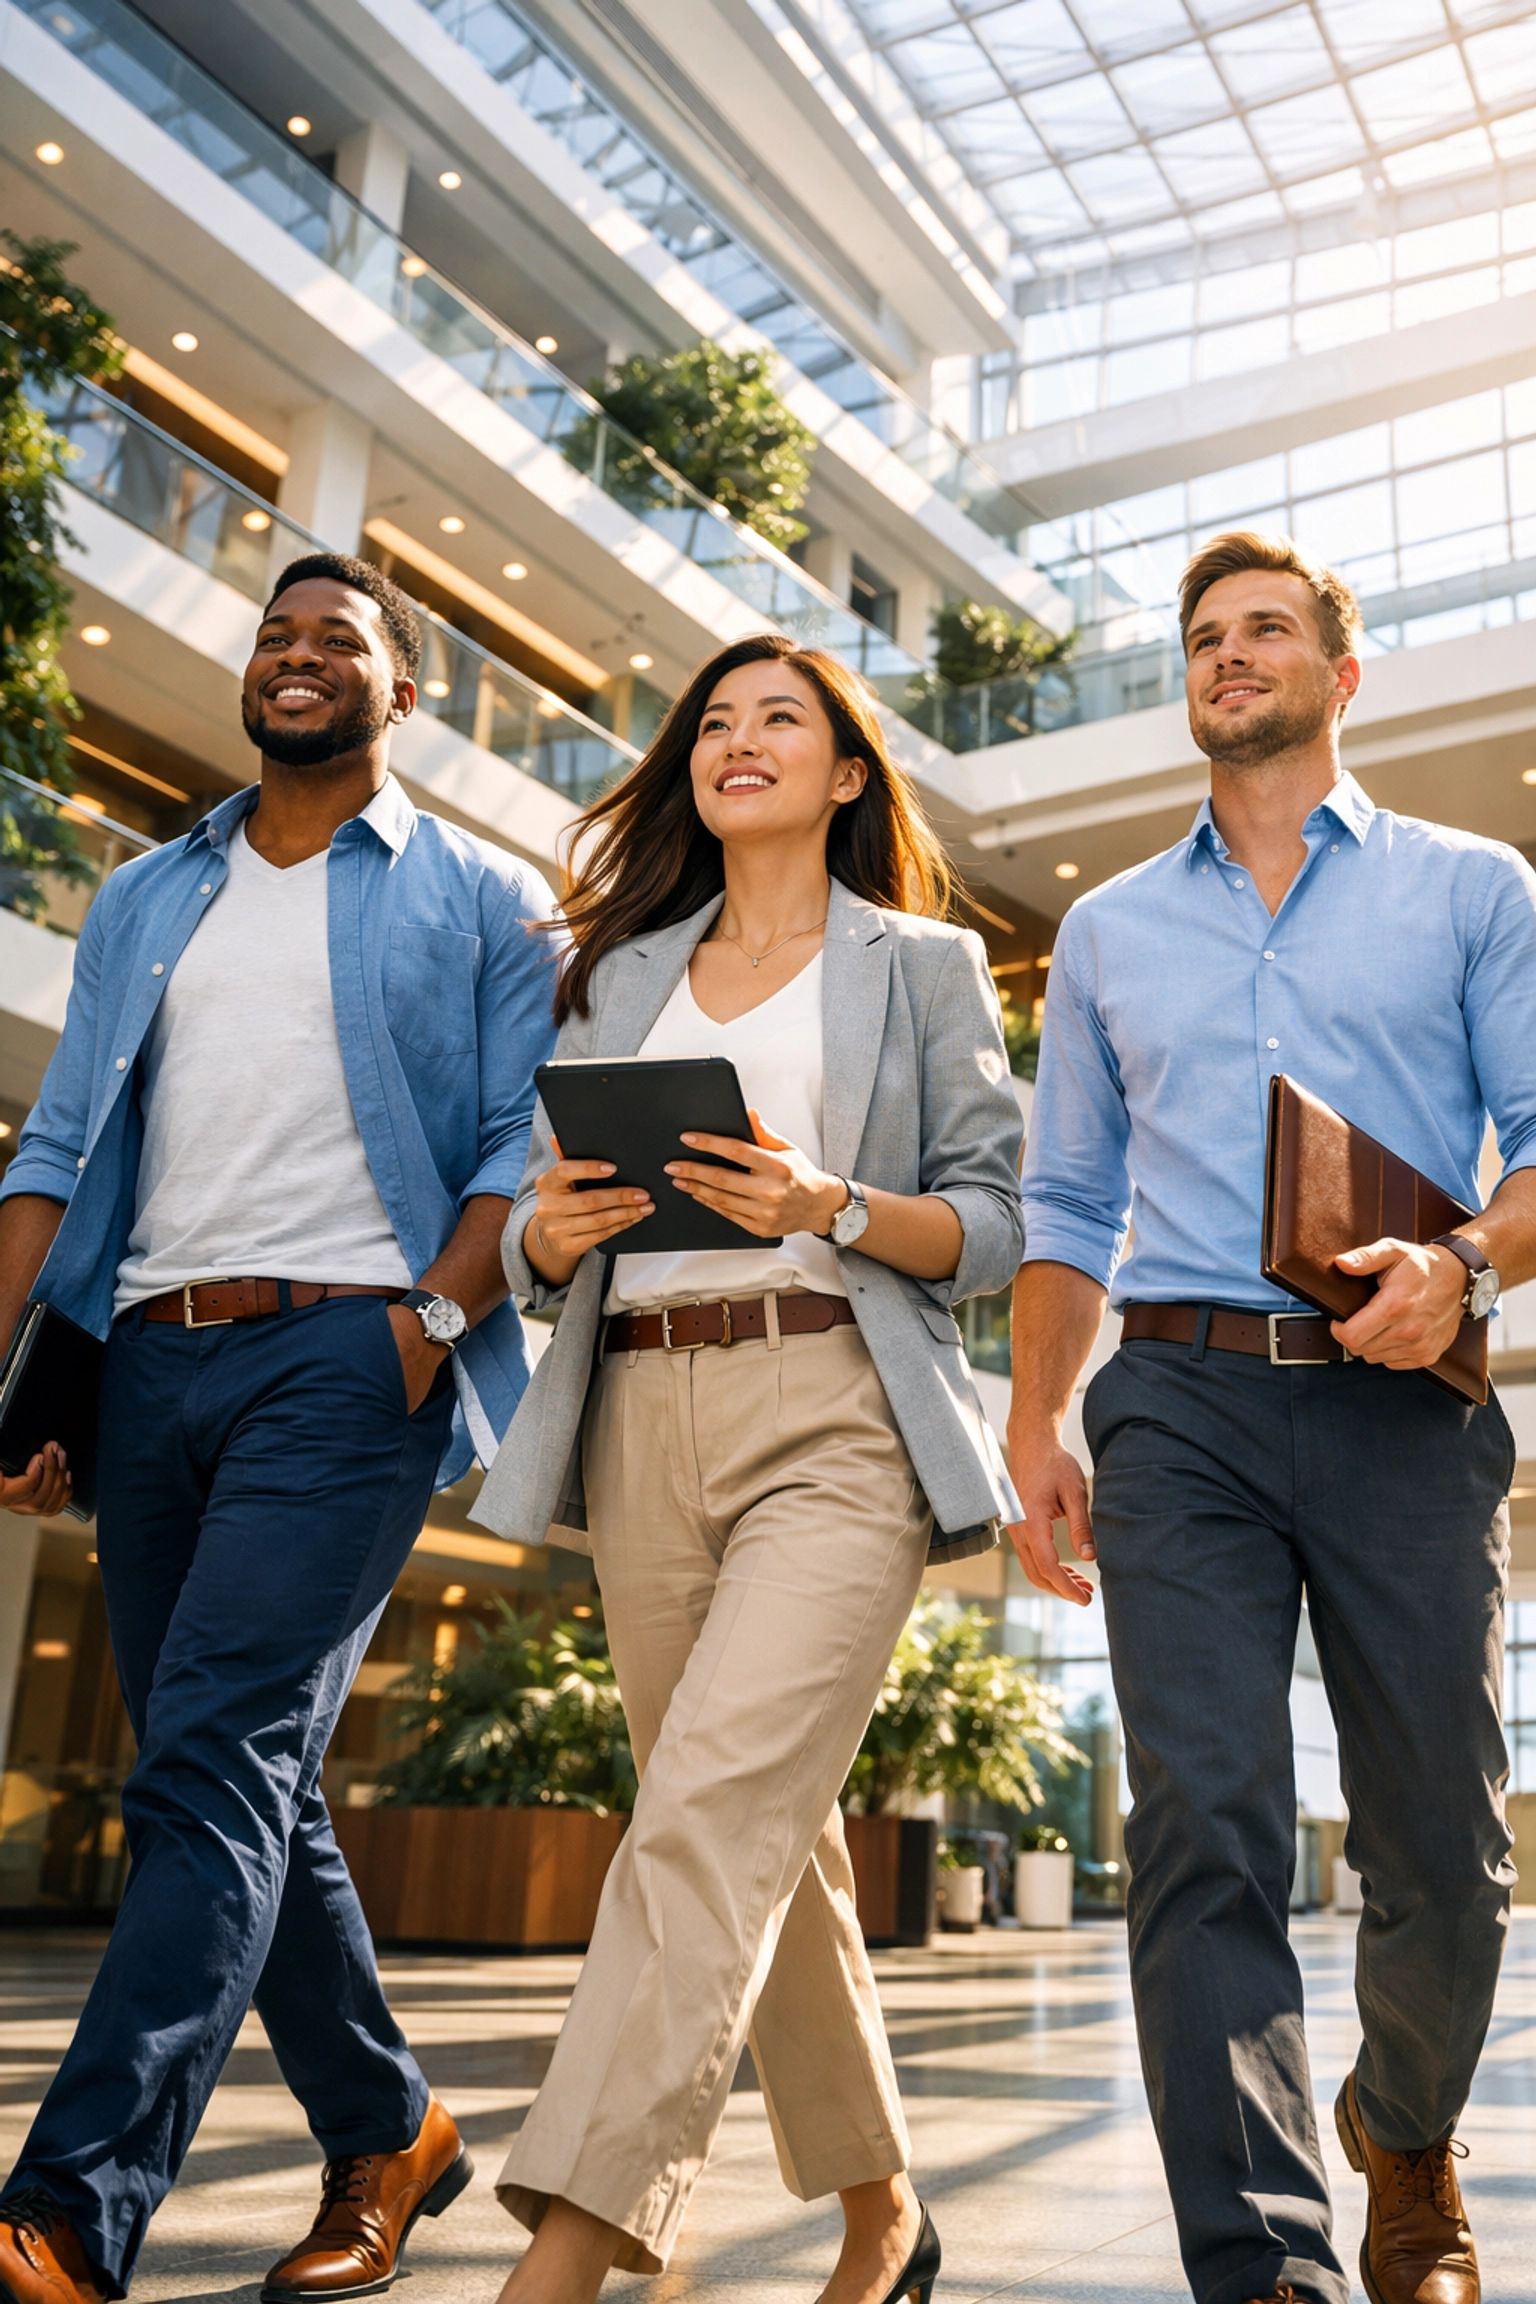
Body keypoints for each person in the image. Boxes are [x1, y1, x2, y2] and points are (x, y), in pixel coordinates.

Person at [0, 554, 560, 2304]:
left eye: (343, 643)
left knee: (216, 1758)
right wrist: (26, 1375)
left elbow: (513, 1146)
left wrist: (430, 1330)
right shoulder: (149, 890)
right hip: (156, 1354)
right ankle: (388, 2126)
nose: (299, 658)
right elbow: (55, 1155)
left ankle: (74, 2206)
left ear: (408, 694)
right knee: (240, 1776)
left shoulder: (481, 895)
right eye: (278, 635)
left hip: (348, 1360)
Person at [1007, 529, 1536, 2304]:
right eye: (1205, 638)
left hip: (1405, 1407)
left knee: (1444, 1854)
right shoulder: (1104, 928)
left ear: (1343, 672)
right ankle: (1268, 2265)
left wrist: (1460, 1265)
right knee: (1205, 1823)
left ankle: (1407, 2140)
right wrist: (1037, 1421)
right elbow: (1068, 1208)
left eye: (1267, 631)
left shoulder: (1472, 888)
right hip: (1178, 1407)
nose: (1230, 655)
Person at [470, 631, 1023, 2304]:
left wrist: (829, 1204)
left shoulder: (919, 963)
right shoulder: (619, 974)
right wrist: (542, 1248)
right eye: (714, 722)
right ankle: (884, 2214)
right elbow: (547, 1228)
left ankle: (566, 2253)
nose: (739, 741)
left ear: (847, 772)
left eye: (780, 717)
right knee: (756, 1836)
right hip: (642, 1419)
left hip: (838, 1416)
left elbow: (992, 1228)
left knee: (705, 1821)